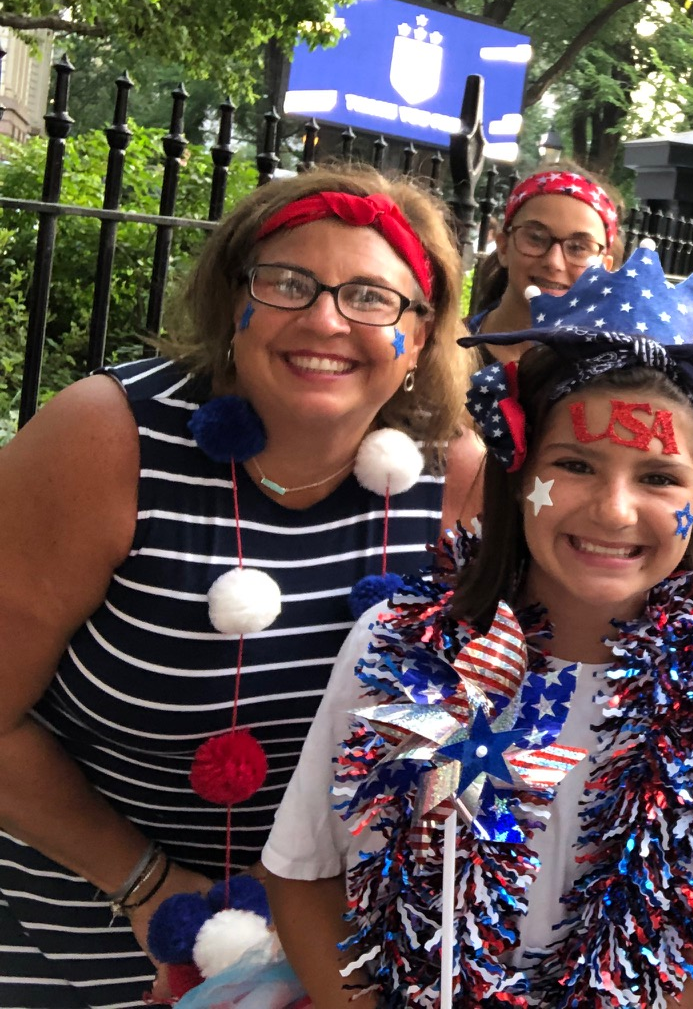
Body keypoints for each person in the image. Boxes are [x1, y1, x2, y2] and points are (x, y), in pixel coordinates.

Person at [0, 167, 482, 1006]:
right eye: (288, 283)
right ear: (235, 302)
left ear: (422, 328)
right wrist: (148, 887)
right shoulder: (105, 438)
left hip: (317, 959)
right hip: (78, 936)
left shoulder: (457, 484)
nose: (325, 318)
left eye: (371, 296)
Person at [263, 241, 693, 1008]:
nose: (613, 510)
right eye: (575, 465)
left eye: (659, 477)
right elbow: (303, 871)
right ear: (519, 466)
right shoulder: (393, 649)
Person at [466, 166, 622, 362]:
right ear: (504, 248)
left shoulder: (615, 373)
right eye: (536, 238)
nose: (554, 262)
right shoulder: (438, 347)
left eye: (578, 248)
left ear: (605, 268)